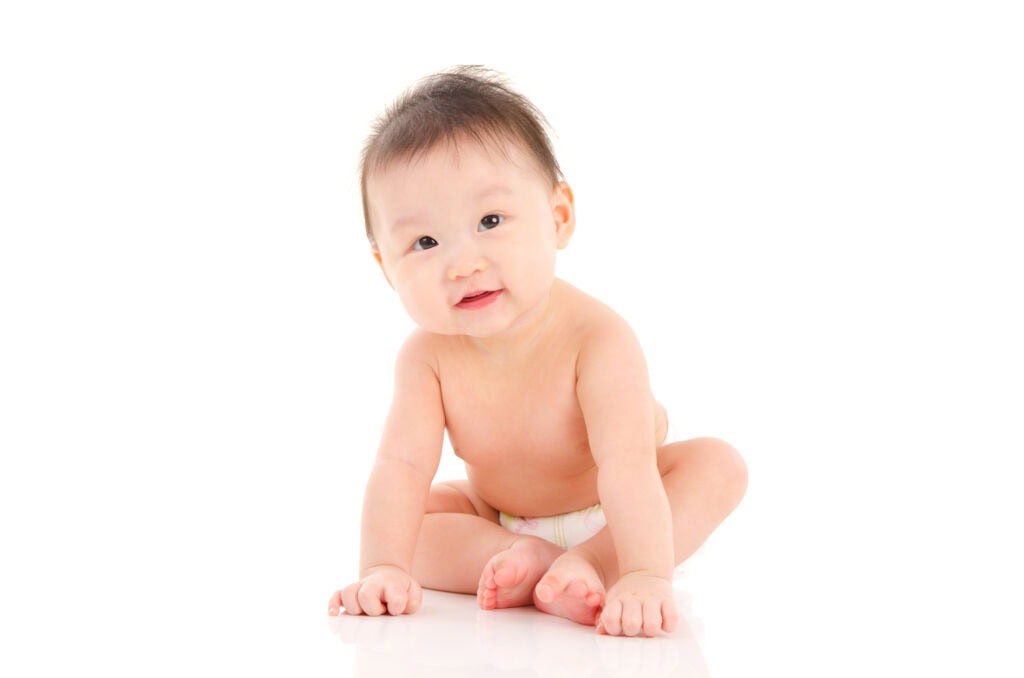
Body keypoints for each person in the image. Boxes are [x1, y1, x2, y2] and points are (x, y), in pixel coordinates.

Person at [327, 66, 747, 637]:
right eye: (425, 242)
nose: (463, 263)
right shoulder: (425, 358)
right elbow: (400, 467)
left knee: (716, 466)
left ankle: (598, 563)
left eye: (490, 221)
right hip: (496, 514)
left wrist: (647, 572)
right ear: (385, 268)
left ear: (558, 218)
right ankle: (518, 561)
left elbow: (626, 466)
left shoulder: (597, 338)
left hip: (620, 513)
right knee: (412, 523)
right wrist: (382, 567)